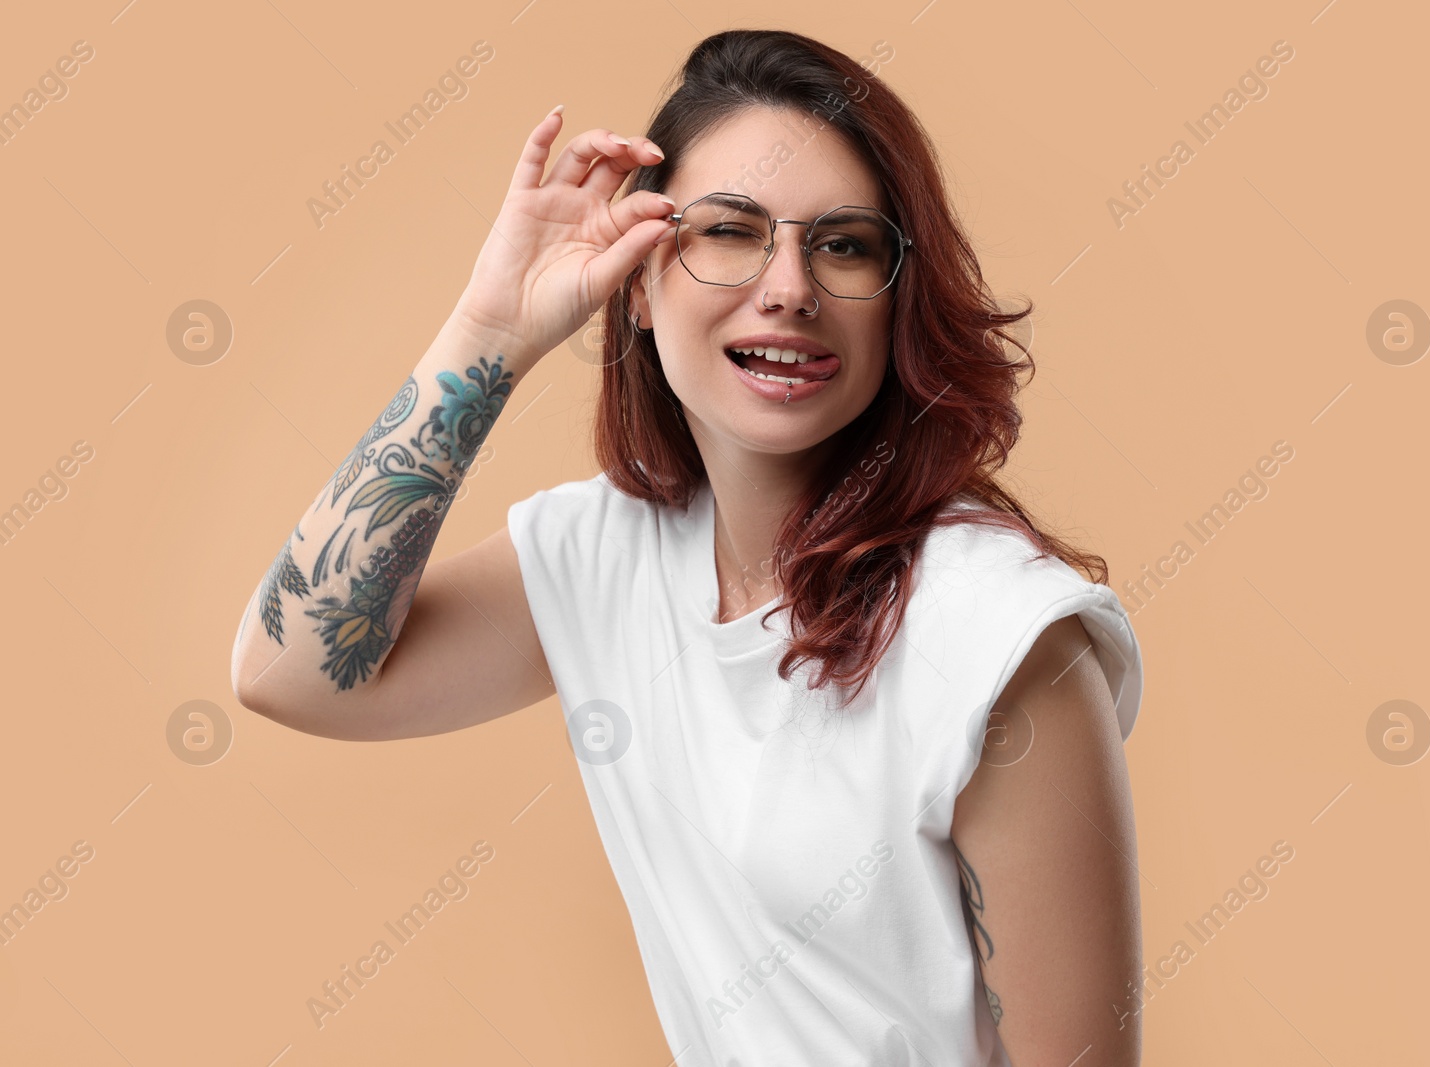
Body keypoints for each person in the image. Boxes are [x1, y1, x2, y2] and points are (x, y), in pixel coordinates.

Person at [232, 28, 1145, 1067]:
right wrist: (492, 326)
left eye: (844, 243)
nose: (789, 285)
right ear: (636, 273)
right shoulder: (602, 554)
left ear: (898, 299)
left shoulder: (1000, 638)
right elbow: (287, 672)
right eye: (729, 231)